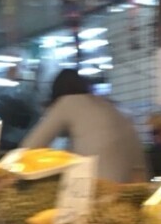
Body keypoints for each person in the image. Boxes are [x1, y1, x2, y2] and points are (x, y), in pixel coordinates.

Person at [18, 69, 148, 183]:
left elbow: (28, 148)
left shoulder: (67, 102)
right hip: (132, 192)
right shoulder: (109, 105)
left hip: (98, 191)